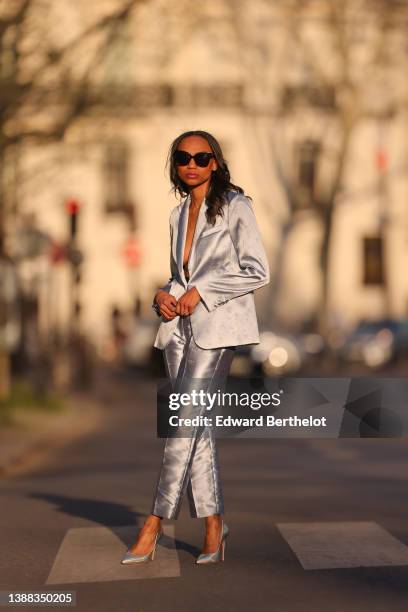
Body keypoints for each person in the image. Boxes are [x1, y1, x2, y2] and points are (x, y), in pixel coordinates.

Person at [121, 130, 270, 565]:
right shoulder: (177, 213)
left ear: (216, 163)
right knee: (196, 428)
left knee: (181, 424)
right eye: (184, 157)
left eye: (202, 157)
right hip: (177, 332)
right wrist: (162, 295)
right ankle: (213, 523)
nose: (192, 164)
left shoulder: (237, 207)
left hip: (217, 330)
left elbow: (256, 271)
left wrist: (202, 292)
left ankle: (154, 522)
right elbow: (179, 278)